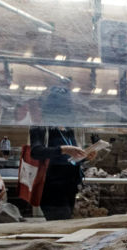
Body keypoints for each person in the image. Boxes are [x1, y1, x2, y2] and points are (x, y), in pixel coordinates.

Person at [28, 86, 91, 220]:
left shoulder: (68, 128)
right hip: (51, 185)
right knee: (61, 224)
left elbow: (72, 157)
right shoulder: (40, 126)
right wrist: (63, 149)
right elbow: (35, 152)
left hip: (71, 184)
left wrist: (86, 156)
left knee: (66, 224)